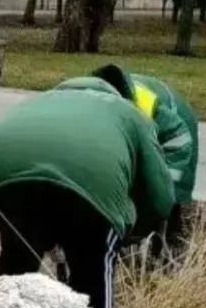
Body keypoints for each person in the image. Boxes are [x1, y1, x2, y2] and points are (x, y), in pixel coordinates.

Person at [0, 77, 175, 308]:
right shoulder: (130, 112)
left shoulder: (39, 99)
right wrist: (129, 232)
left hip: (3, 179)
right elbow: (161, 197)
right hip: (90, 191)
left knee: (16, 262)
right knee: (92, 268)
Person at [58, 64, 198, 249]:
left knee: (166, 198)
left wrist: (161, 192)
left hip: (176, 127)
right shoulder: (85, 103)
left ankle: (167, 243)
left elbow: (179, 142)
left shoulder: (146, 107)